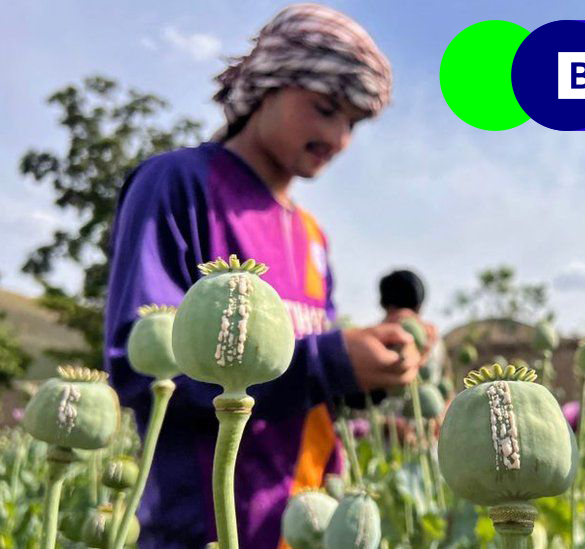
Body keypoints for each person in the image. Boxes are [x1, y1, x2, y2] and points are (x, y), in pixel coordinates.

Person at [103, 4, 421, 547]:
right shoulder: (177, 185)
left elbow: (306, 384)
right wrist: (331, 361)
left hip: (306, 524)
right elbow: (141, 363)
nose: (340, 138)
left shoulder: (313, 236)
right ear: (266, 86)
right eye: (324, 109)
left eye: (353, 123)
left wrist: (370, 372)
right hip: (201, 528)